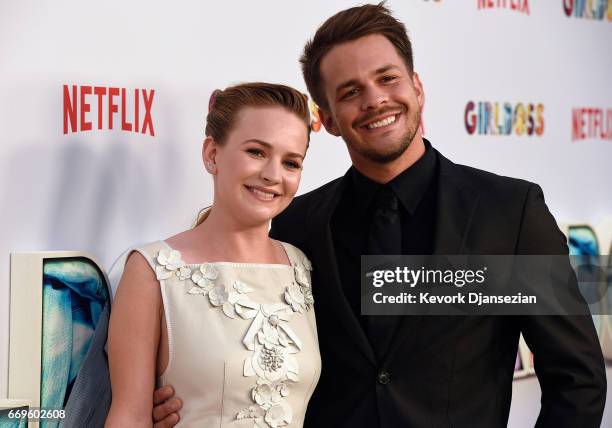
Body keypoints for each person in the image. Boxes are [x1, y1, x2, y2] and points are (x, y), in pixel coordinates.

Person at [153, 3, 606, 427]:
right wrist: (193, 400)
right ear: (326, 119)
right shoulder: (298, 227)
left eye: (387, 78)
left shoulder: (509, 213)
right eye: (350, 92)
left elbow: (576, 378)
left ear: (417, 87)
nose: (374, 100)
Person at [105, 82, 321, 427]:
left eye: (291, 162)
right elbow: (128, 417)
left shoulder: (301, 266)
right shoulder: (152, 271)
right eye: (256, 152)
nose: (272, 174)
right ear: (212, 154)